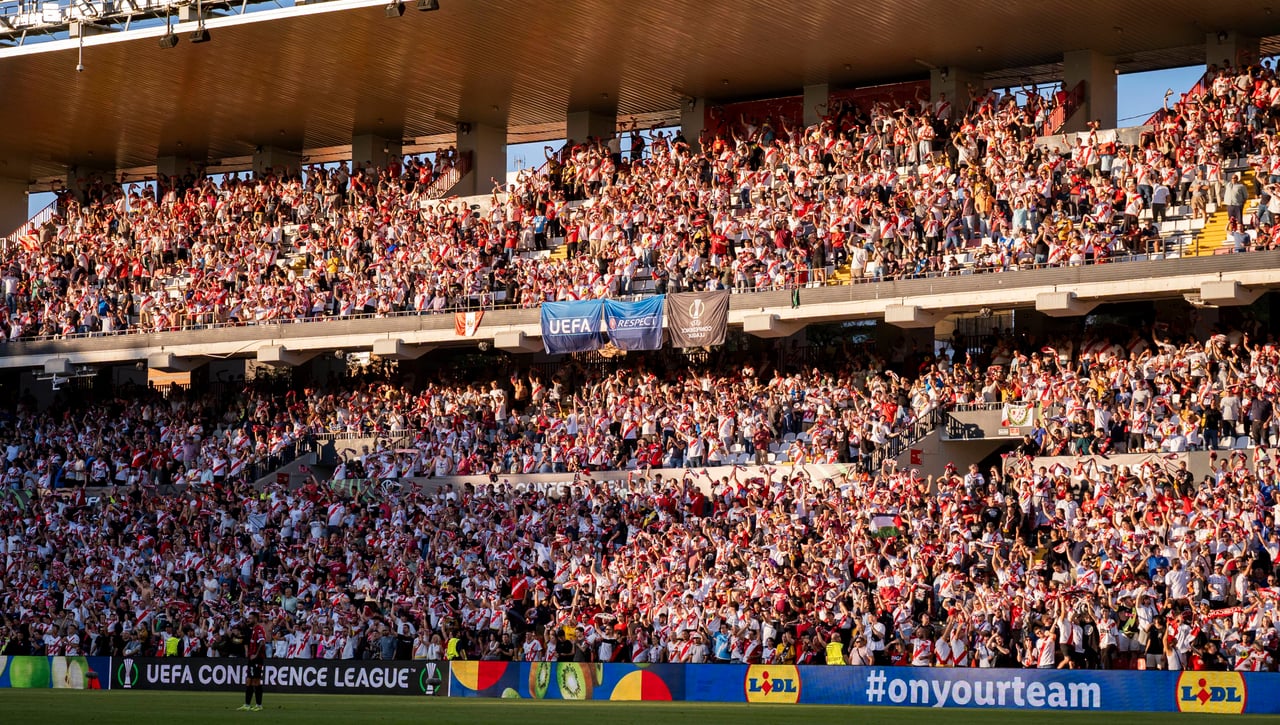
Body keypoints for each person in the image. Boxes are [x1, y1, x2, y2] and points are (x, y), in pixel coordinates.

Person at [239, 612, 267, 712]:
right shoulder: (253, 630)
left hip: (257, 659)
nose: (248, 620)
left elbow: (262, 642)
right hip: (252, 659)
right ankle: (247, 705)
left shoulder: (259, 629)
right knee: (249, 681)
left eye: (250, 618)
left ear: (255, 619)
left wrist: (256, 654)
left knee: (256, 681)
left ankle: (259, 705)